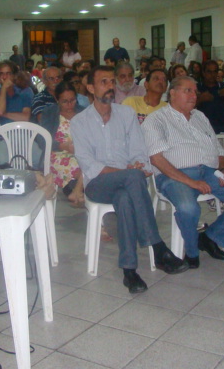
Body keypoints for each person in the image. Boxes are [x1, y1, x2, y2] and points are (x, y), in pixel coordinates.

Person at [71, 66, 189, 293]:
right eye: (104, 82)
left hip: (128, 181)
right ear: (90, 88)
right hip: (97, 185)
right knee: (132, 178)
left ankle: (129, 270)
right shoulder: (80, 122)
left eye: (111, 82)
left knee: (125, 197)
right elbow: (89, 165)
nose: (110, 86)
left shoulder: (126, 114)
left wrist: (138, 166)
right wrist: (128, 172)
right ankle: (157, 246)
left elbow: (139, 151)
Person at [143, 76, 224, 266]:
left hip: (209, 172)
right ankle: (191, 253)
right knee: (189, 208)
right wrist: (192, 183)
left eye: (195, 91)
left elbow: (219, 149)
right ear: (172, 93)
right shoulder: (157, 119)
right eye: (187, 90)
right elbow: (157, 159)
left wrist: (223, 168)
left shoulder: (200, 117)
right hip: (174, 175)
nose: (193, 95)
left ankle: (211, 238)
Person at [39, 82, 86, 206]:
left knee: (90, 162)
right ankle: (78, 189)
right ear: (57, 99)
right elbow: (42, 140)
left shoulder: (84, 112)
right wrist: (62, 146)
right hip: (58, 154)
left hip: (82, 153)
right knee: (75, 166)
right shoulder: (50, 113)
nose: (70, 105)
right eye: (65, 101)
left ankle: (75, 190)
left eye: (72, 100)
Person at [197, 60, 224, 141]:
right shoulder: (198, 87)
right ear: (203, 73)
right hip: (206, 125)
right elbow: (189, 109)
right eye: (209, 72)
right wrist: (200, 99)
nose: (212, 75)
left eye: (215, 72)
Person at [0, 60, 34, 127]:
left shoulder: (24, 92)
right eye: (1, 74)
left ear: (14, 76)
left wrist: (3, 115)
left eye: (8, 73)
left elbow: (25, 117)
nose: (5, 77)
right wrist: (3, 88)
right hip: (0, 134)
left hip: (22, 133)